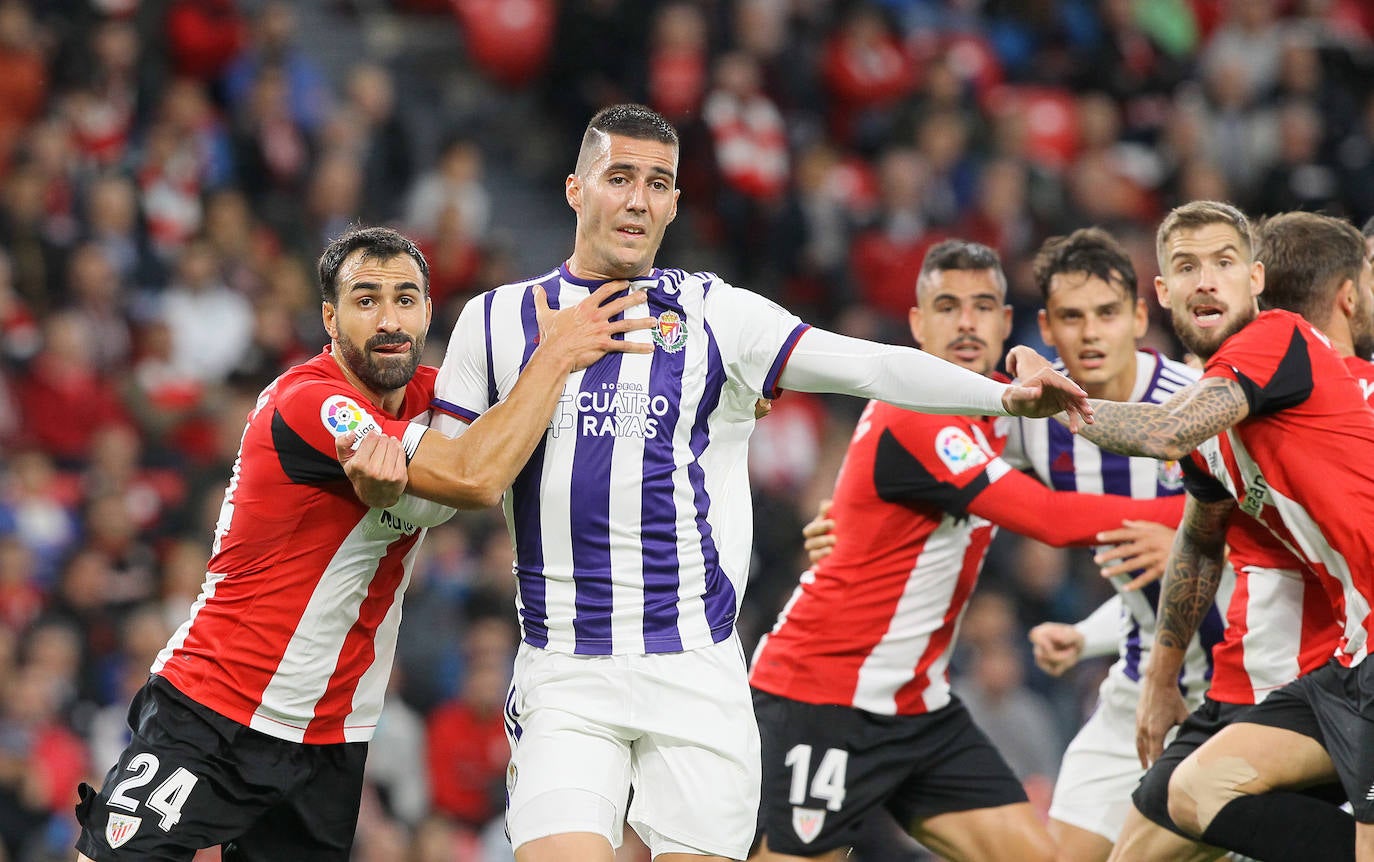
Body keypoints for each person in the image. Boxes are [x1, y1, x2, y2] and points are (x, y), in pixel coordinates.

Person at [424, 104, 1091, 862]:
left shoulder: (716, 314)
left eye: (658, 183)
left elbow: (867, 363)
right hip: (565, 669)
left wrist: (1001, 395)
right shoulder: (493, 320)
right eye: (619, 178)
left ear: (676, 202)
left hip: (694, 674)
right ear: (576, 188)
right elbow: (448, 479)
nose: (638, 200)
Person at [72, 225, 656, 861]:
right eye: (366, 299)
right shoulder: (313, 402)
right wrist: (552, 357)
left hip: (332, 736)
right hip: (218, 708)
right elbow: (475, 476)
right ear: (330, 316)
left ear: (429, 310)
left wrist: (727, 402)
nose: (389, 319)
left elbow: (549, 405)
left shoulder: (438, 401)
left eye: (406, 299)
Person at [745, 239, 1184, 862]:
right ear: (918, 324)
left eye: (984, 307)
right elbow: (1050, 520)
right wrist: (1197, 512)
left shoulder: (997, 413)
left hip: (919, 706)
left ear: (1006, 323)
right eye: (947, 306)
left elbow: (1035, 383)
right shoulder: (915, 414)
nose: (967, 322)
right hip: (827, 696)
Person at [1009, 200, 1374, 862]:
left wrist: (1060, 405)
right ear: (1165, 291)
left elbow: (1166, 432)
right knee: (1188, 794)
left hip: (1328, 656)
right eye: (1186, 266)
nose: (1206, 280)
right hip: (1344, 661)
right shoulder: (1215, 411)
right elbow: (1201, 539)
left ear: (1256, 281)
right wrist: (1159, 680)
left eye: (1224, 263)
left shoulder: (1275, 340)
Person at [1010, 227, 1224, 862]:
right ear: (1046, 328)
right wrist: (1085, 638)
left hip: (1246, 686)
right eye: (1071, 318)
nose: (1090, 333)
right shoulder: (1037, 428)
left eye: (1106, 313)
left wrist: (1199, 545)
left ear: (1137, 315)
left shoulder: (1197, 399)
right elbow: (950, 475)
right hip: (1138, 685)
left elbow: (1280, 529)